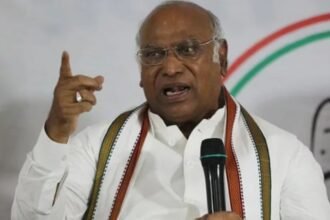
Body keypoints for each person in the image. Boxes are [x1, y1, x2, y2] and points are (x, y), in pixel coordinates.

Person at [11, 1, 330, 220]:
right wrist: (56, 133)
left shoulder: (284, 155)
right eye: (153, 54)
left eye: (188, 50)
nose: (171, 67)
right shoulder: (96, 149)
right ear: (139, 70)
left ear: (222, 55)